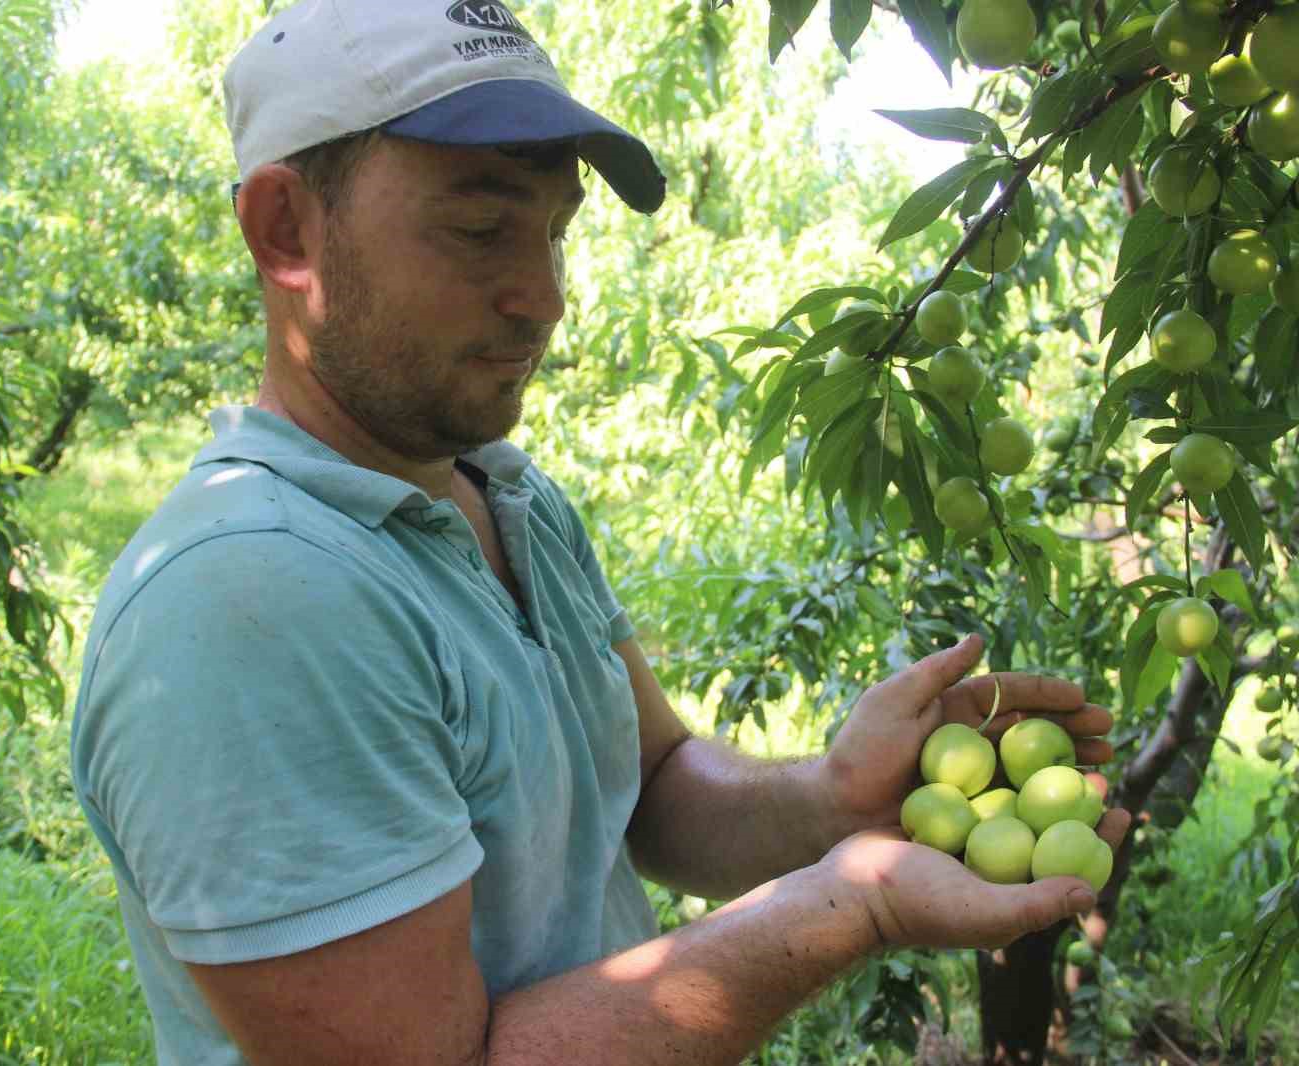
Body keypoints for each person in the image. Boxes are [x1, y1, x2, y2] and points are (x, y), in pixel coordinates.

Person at [68, 2, 1131, 1063]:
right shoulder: (250, 602)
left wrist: (830, 798)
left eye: (554, 232)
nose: (545, 297)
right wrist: (853, 906)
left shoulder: (503, 495)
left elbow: (652, 787)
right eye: (480, 228)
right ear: (285, 231)